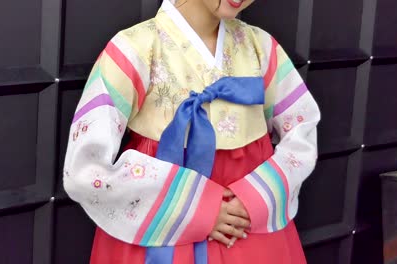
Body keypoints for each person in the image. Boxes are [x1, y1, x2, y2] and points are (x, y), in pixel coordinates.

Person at [63, 0, 321, 263]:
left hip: (247, 220)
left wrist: (257, 197)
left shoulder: (261, 48)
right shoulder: (134, 48)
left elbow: (303, 128)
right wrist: (197, 208)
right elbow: (85, 168)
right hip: (162, 228)